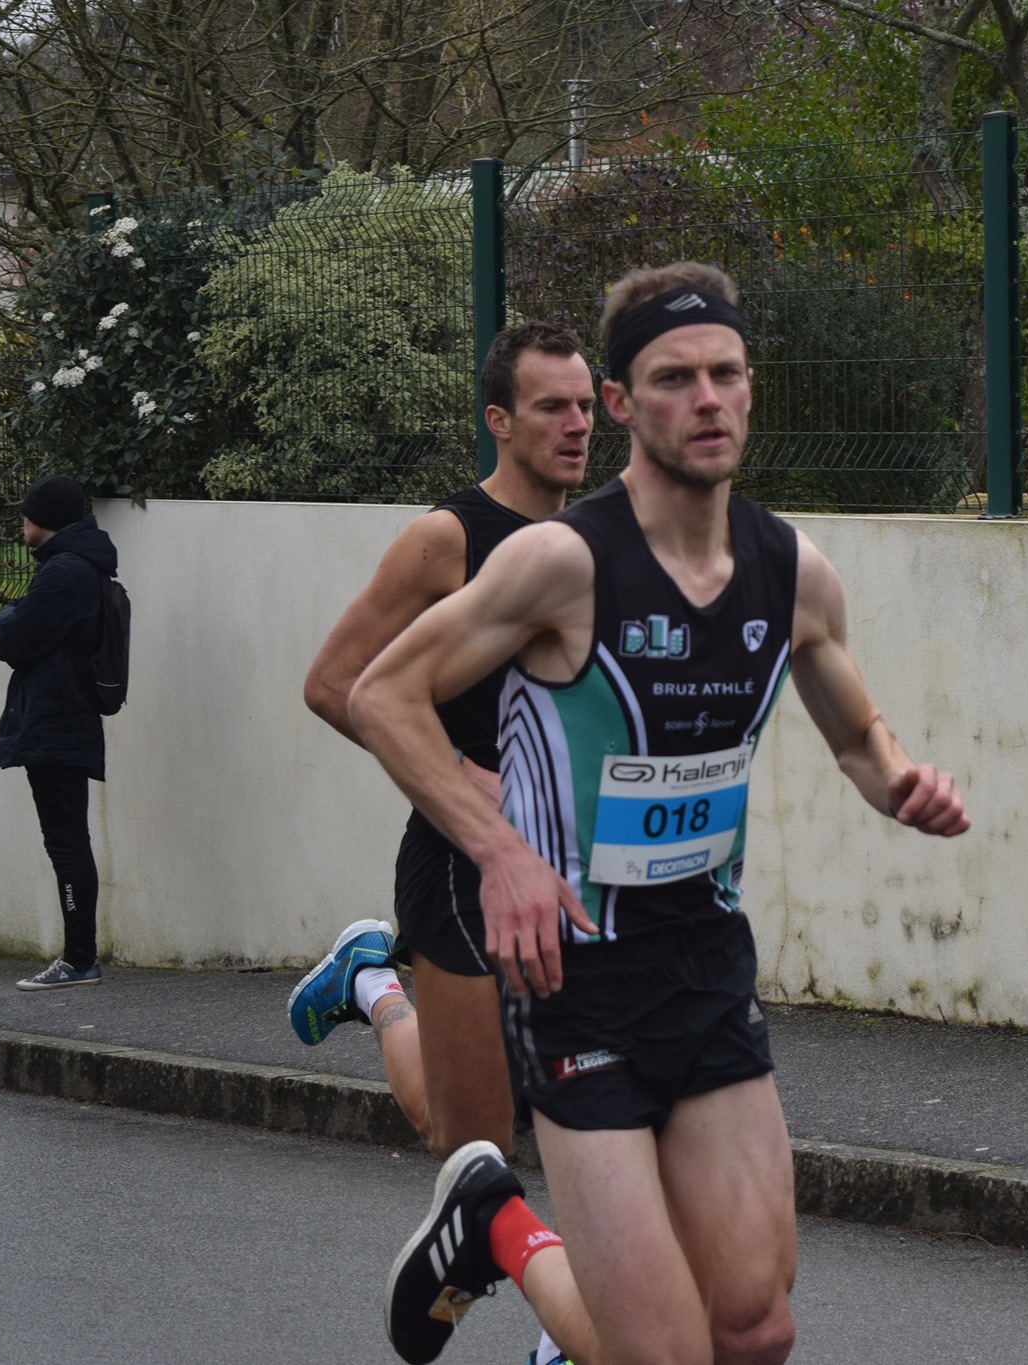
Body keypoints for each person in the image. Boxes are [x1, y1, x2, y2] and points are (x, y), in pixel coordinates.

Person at [347, 260, 968, 1365]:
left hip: (706, 963)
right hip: (577, 980)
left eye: (727, 373)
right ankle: (503, 1228)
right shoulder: (562, 562)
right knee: (663, 1355)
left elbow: (858, 737)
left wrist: (903, 781)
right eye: (674, 379)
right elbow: (378, 692)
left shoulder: (793, 573)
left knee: (757, 1327)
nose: (708, 398)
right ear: (624, 404)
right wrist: (498, 851)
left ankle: (488, 1221)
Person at [289, 320, 596, 1364]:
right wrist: (466, 774)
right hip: (460, 866)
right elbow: (333, 682)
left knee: (602, 1113)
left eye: (586, 405)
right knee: (468, 1145)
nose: (576, 424)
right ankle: (373, 984)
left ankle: (574, 1328)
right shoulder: (446, 539)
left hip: (567, 872)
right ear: (498, 419)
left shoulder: (597, 537)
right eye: (552, 406)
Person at [0, 474, 120, 991]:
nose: (22, 523)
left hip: (57, 720)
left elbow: (15, 640)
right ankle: (78, 957)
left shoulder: (64, 572)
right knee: (68, 839)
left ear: (42, 520)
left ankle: (79, 959)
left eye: (26, 515)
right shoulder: (78, 565)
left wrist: (7, 614)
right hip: (66, 717)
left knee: (65, 842)